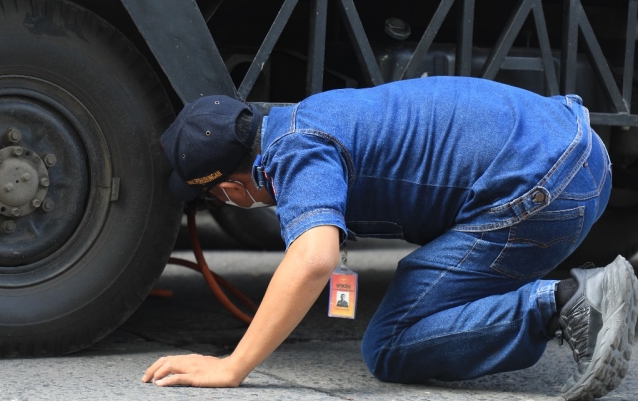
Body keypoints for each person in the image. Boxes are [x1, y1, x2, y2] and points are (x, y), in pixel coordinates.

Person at [142, 76, 638, 400]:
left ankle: (570, 303)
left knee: (390, 346)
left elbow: (315, 259)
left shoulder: (294, 154)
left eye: (218, 198)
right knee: (418, 281)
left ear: (231, 188)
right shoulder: (306, 115)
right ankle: (566, 304)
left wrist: (233, 367)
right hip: (579, 151)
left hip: (545, 186)